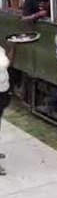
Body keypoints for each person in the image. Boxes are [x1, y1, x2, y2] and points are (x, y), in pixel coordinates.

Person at [0, 43, 15, 176]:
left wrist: (13, 48)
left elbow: (7, 65)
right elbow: (3, 65)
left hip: (3, 91)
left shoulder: (1, 50)